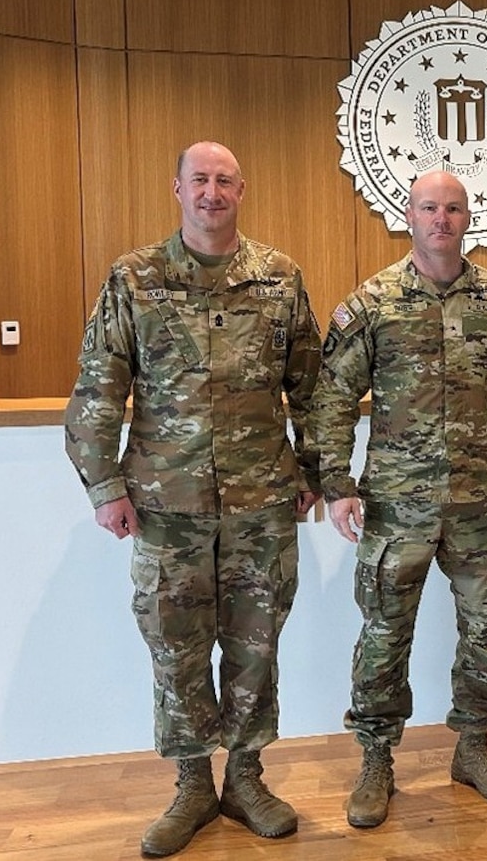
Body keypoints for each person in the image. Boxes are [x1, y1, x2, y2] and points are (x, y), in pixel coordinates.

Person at [64, 141, 321, 856]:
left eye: (225, 181)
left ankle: (245, 779)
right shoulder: (135, 278)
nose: (212, 192)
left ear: (243, 191)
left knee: (254, 645)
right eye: (199, 180)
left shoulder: (279, 278)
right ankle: (191, 786)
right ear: (176, 188)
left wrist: (315, 471)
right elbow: (96, 389)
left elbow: (313, 387)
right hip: (165, 504)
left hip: (261, 503)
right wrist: (105, 482)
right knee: (175, 649)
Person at [306, 170, 487, 828]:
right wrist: (337, 484)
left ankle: (473, 748)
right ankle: (377, 760)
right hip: (395, 508)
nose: (441, 219)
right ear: (407, 215)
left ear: (469, 218)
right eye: (428, 208)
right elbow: (331, 396)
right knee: (385, 638)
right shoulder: (375, 301)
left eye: (452, 208)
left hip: (479, 506)